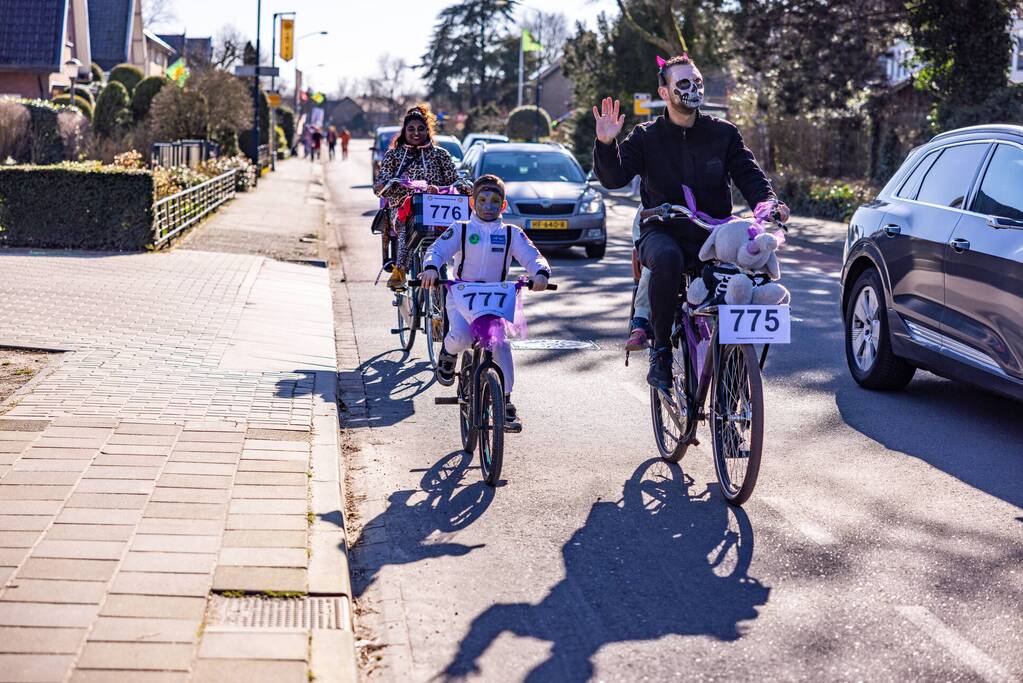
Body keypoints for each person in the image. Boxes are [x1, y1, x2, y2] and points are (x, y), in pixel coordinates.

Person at [592, 53, 789, 389]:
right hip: (663, 231)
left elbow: (749, 174)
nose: (693, 87)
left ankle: (737, 367)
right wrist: (606, 143)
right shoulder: (646, 136)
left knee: (744, 275)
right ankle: (663, 353)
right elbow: (614, 179)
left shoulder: (723, 134)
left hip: (714, 236)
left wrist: (768, 203)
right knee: (667, 260)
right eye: (683, 82)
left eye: (697, 81)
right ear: (664, 92)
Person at [421, 174, 550, 431]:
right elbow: (437, 250)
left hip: (494, 301)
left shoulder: (512, 233)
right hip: (461, 297)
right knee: (460, 336)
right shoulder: (461, 229)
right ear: (472, 203)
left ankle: (506, 399)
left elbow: (532, 255)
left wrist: (541, 273)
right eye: (482, 200)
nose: (488, 205)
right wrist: (432, 268)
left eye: (495, 201)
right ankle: (448, 353)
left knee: (500, 344)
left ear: (503, 205)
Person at [373, 104, 471, 290]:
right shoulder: (394, 155)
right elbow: (380, 185)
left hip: (437, 209)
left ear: (428, 130)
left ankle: (465, 272)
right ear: (404, 131)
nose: (416, 133)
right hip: (402, 211)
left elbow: (455, 180)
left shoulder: (440, 155)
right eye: (411, 129)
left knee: (461, 229)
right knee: (406, 222)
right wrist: (390, 185)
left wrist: (463, 187)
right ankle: (400, 270)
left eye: (421, 129)